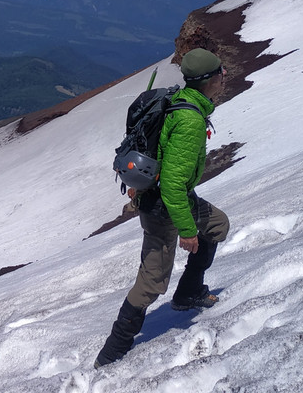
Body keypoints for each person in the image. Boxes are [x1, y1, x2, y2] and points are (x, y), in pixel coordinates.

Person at [94, 47, 231, 369]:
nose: (225, 74)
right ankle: (110, 355)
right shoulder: (189, 120)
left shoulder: (181, 100)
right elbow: (171, 186)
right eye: (219, 71)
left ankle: (188, 293)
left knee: (217, 225)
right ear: (208, 80)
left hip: (171, 198)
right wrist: (187, 231)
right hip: (162, 206)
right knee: (151, 283)